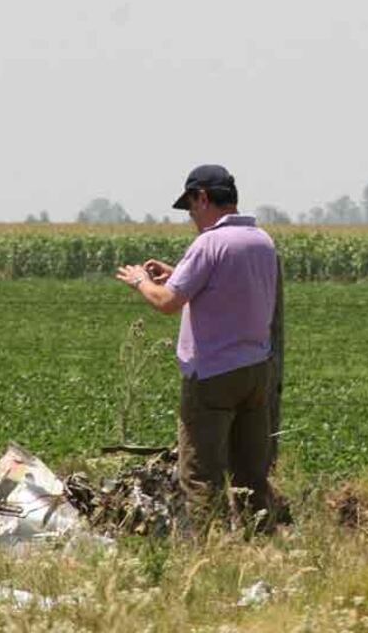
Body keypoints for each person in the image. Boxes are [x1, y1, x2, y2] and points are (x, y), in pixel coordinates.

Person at [115, 164, 280, 530]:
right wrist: (179, 274)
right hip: (256, 371)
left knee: (202, 474)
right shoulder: (261, 241)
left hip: (213, 374)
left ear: (202, 197)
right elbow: (228, 290)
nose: (191, 216)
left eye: (191, 207)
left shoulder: (209, 242)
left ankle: (211, 553)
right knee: (251, 475)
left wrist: (141, 281)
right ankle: (261, 545)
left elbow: (166, 303)